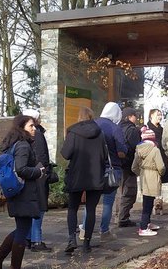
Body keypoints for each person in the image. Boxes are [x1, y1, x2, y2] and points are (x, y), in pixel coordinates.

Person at [0, 115, 46, 269]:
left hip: (16, 191)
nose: (34, 129)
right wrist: (38, 172)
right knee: (23, 229)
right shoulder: (23, 145)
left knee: (21, 228)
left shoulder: (12, 144)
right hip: (24, 192)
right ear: (22, 127)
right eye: (31, 126)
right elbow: (21, 169)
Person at [61, 107, 109, 253]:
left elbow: (65, 154)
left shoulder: (73, 133)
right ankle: (86, 243)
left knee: (72, 208)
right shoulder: (100, 133)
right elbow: (104, 156)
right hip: (95, 176)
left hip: (77, 174)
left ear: (79, 118)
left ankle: (71, 239)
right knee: (91, 209)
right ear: (91, 117)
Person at [90, 101, 126, 239]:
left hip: (93, 169)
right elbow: (122, 151)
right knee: (107, 202)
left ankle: (85, 229)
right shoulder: (115, 128)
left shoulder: (93, 124)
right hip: (112, 169)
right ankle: (104, 231)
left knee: (91, 202)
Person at [24, 108, 53, 253]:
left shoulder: (21, 136)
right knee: (39, 208)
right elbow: (42, 156)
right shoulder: (38, 134)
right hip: (39, 174)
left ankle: (28, 238)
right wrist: (45, 171)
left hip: (29, 174)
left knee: (31, 208)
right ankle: (36, 240)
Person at [131, 127, 165, 236]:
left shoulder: (138, 149)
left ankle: (147, 223)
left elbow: (134, 167)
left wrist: (141, 173)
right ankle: (143, 227)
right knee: (148, 204)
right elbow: (161, 166)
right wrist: (160, 174)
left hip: (143, 176)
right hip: (153, 175)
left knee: (147, 201)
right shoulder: (155, 150)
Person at [117, 107, 142, 227]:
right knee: (130, 192)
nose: (136, 118)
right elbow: (136, 148)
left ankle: (118, 215)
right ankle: (123, 218)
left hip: (118, 165)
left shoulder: (118, 127)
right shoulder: (132, 130)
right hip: (129, 165)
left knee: (120, 192)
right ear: (130, 116)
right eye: (135, 116)